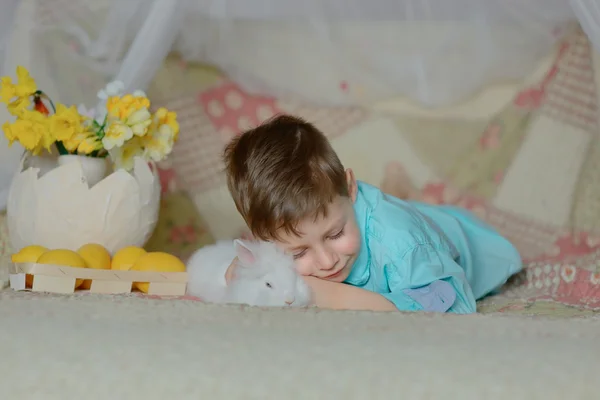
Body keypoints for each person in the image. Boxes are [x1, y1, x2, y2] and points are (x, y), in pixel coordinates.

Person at [223, 115, 522, 313]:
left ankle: (405, 196)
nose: (327, 262)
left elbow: (455, 306)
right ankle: (401, 192)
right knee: (403, 212)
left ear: (350, 188)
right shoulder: (323, 219)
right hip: (401, 221)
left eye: (336, 234)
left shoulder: (401, 241)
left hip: (466, 239)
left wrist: (330, 295)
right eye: (298, 253)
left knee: (409, 225)